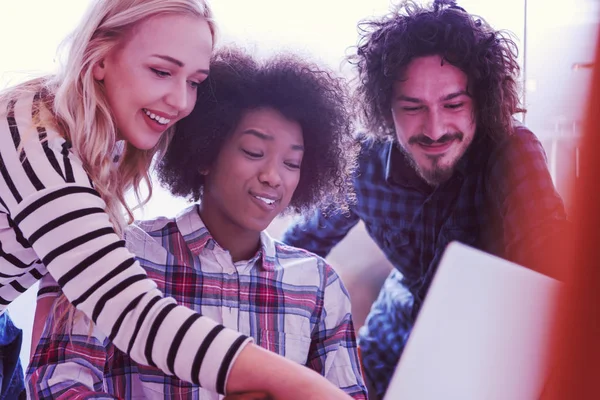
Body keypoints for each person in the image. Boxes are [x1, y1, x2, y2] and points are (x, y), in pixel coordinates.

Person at [0, 0, 354, 398]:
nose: (181, 102)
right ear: (99, 58)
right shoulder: (30, 139)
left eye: (194, 82)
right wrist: (303, 385)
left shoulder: (99, 150)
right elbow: (133, 314)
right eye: (161, 71)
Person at [282, 0, 569, 398]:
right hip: (383, 353)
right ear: (386, 109)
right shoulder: (362, 162)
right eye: (412, 108)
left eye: (453, 104)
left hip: (480, 366)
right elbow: (297, 248)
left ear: (481, 104)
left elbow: (549, 264)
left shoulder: (511, 151)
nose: (434, 130)